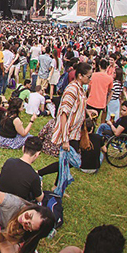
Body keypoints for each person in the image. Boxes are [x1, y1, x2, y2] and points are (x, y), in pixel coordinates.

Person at [44, 61, 93, 197]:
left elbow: (77, 106)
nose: (90, 79)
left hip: (75, 132)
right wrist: (65, 139)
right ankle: (40, 174)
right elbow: (64, 113)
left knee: (66, 160)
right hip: (69, 132)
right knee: (70, 160)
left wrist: (87, 112)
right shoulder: (72, 89)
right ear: (80, 76)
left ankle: (57, 185)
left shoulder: (80, 88)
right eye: (89, 76)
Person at [0, 136, 44, 203]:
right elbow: (40, 199)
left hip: (0, 197)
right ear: (37, 154)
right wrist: (40, 187)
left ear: (23, 148)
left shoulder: (9, 161)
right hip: (17, 205)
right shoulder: (33, 176)